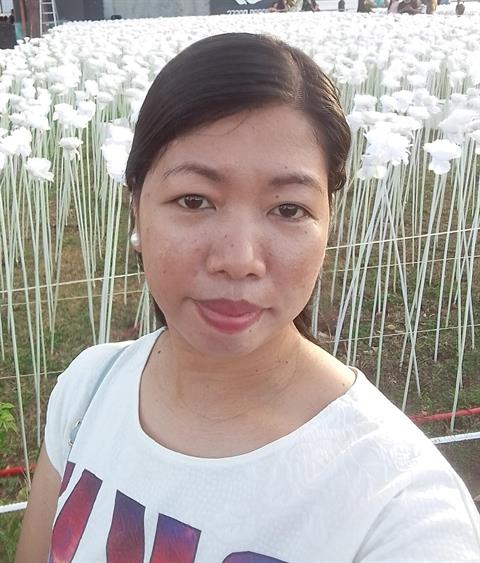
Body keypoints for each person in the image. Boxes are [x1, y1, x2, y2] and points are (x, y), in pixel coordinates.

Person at [16, 33, 480, 563]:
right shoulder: (89, 391)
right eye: (195, 200)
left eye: (288, 209)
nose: (239, 259)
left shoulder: (401, 511)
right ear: (136, 208)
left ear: (329, 222)